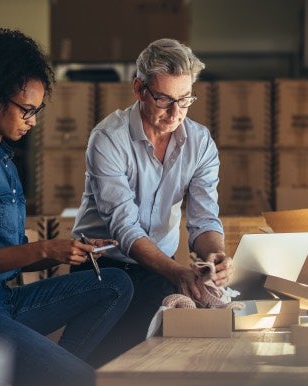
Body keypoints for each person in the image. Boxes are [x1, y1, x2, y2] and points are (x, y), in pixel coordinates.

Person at [0, 28, 133, 386]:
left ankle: (51, 372)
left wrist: (66, 253)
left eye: (38, 110)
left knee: (116, 283)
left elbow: (14, 253)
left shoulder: (2, 159)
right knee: (82, 378)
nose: (33, 121)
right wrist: (44, 247)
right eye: (26, 110)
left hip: (1, 301)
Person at [71, 38, 234, 366]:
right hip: (102, 265)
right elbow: (124, 227)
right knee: (99, 365)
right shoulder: (108, 139)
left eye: (185, 100)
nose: (176, 113)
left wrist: (215, 254)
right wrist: (177, 273)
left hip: (161, 264)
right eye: (164, 100)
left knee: (155, 361)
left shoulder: (200, 143)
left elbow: (203, 220)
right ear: (139, 89)